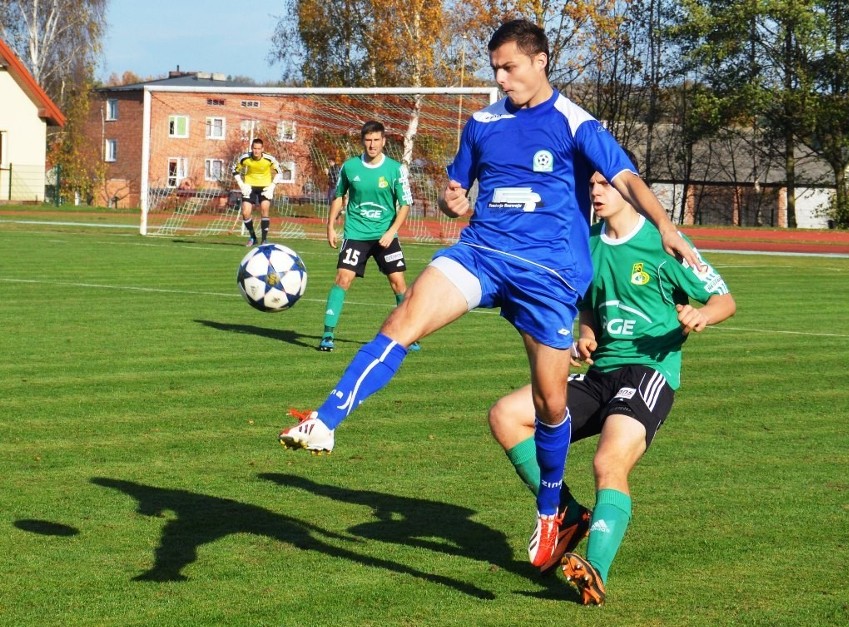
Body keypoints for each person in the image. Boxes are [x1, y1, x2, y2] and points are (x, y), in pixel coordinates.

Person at [278, 18, 700, 571]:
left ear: (540, 61)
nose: (500, 78)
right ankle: (326, 420)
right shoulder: (480, 124)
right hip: (480, 253)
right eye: (495, 68)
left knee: (551, 407)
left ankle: (553, 510)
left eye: (510, 67)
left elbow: (625, 177)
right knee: (403, 318)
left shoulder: (574, 122)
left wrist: (664, 225)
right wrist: (454, 201)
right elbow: (459, 189)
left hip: (548, 277)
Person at [488, 168, 736, 604]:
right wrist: (585, 335)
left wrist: (703, 315)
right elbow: (588, 308)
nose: (596, 192)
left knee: (608, 463)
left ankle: (595, 571)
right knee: (507, 415)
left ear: (630, 188)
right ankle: (565, 511)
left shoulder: (664, 244)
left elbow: (724, 299)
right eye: (591, 186)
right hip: (600, 374)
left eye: (604, 184)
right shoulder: (587, 246)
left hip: (649, 373)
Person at [318, 121, 420, 353]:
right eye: (368, 140)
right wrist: (331, 225)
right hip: (356, 233)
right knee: (343, 279)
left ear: (384, 142)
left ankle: (410, 335)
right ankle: (327, 334)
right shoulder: (350, 167)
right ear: (363, 141)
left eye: (376, 140)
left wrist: (391, 232)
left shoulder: (395, 169)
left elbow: (405, 204)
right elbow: (338, 195)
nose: (372, 145)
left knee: (398, 284)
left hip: (385, 235)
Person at [232, 138, 282, 246]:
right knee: (245, 212)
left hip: (265, 187)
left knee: (264, 209)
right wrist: (241, 185)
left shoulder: (269, 159)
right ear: (252, 148)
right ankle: (253, 237)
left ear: (262, 149)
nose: (256, 151)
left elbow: (280, 172)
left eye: (259, 149)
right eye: (254, 148)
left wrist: (272, 187)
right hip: (250, 187)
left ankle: (264, 240)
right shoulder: (245, 158)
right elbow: (234, 170)